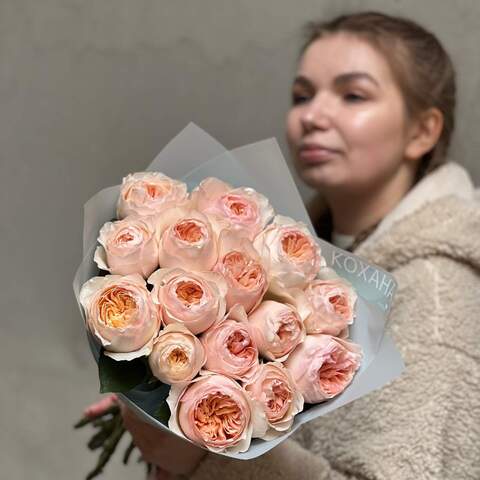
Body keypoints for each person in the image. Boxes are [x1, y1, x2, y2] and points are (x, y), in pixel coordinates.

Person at [85, 11, 480, 479]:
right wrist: (160, 391)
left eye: (353, 95)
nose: (312, 115)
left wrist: (203, 456)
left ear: (423, 131)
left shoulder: (438, 291)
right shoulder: (312, 258)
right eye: (302, 96)